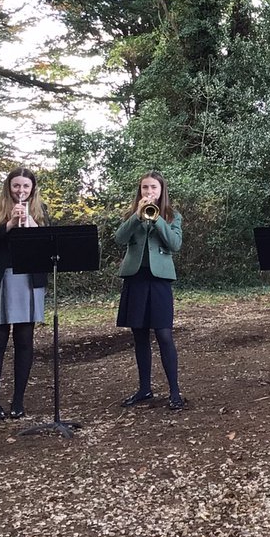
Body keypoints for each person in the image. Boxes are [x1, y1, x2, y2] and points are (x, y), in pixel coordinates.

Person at [0, 167, 49, 420]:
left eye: (26, 187)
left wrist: (28, 222)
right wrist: (8, 224)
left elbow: (46, 244)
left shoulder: (40, 209)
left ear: (32, 189)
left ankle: (18, 400)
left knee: (24, 339)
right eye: (16, 186)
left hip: (28, 278)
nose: (21, 191)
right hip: (1, 277)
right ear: (9, 186)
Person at [114, 171, 186, 410]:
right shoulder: (131, 214)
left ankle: (174, 391)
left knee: (164, 334)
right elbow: (119, 238)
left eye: (153, 188)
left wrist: (157, 220)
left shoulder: (172, 216)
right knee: (139, 335)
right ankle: (144, 389)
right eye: (145, 188)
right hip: (135, 278)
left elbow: (175, 244)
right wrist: (137, 216)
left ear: (161, 190)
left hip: (160, 280)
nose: (148, 192)